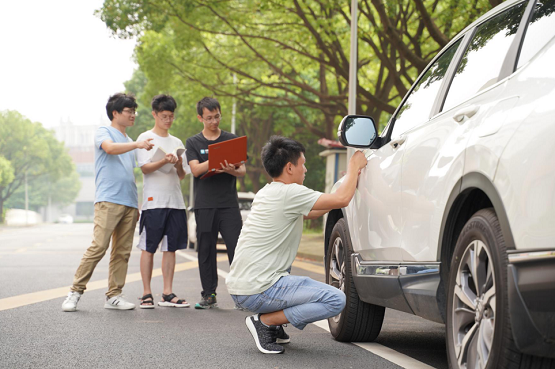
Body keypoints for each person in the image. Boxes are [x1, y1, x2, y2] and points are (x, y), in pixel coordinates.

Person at [225, 136, 367, 354]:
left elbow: (313, 211)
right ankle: (266, 322)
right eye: (303, 163)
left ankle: (274, 324)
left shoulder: (267, 192)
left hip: (242, 287)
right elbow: (341, 200)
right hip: (258, 289)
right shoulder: (290, 193)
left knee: (286, 270)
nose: (306, 169)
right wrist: (354, 166)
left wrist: (341, 191)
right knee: (336, 299)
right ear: (289, 167)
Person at [62, 93, 154, 312]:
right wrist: (137, 145)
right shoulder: (105, 132)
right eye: (129, 111)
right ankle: (75, 292)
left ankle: (114, 295)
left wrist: (136, 204)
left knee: (122, 252)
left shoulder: (130, 140)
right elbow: (110, 148)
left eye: (134, 111)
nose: (133, 115)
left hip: (129, 202)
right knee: (99, 246)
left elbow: (130, 172)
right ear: (115, 113)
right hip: (108, 200)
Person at [185, 97, 246, 309]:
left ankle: (243, 294)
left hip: (229, 204)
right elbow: (195, 170)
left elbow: (242, 170)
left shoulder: (231, 139)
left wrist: (228, 168)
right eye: (209, 118)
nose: (214, 121)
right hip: (204, 205)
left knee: (236, 249)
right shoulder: (193, 142)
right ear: (200, 117)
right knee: (206, 250)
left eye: (217, 116)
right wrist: (216, 159)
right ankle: (208, 294)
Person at [136, 94, 191, 308]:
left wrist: (176, 163)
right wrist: (162, 161)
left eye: (171, 117)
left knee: (171, 248)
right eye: (164, 116)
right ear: (154, 114)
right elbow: (145, 168)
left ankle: (167, 293)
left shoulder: (176, 142)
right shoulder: (146, 138)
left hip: (175, 202)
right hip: (153, 202)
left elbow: (181, 174)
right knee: (148, 247)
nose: (168, 120)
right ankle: (146, 293)